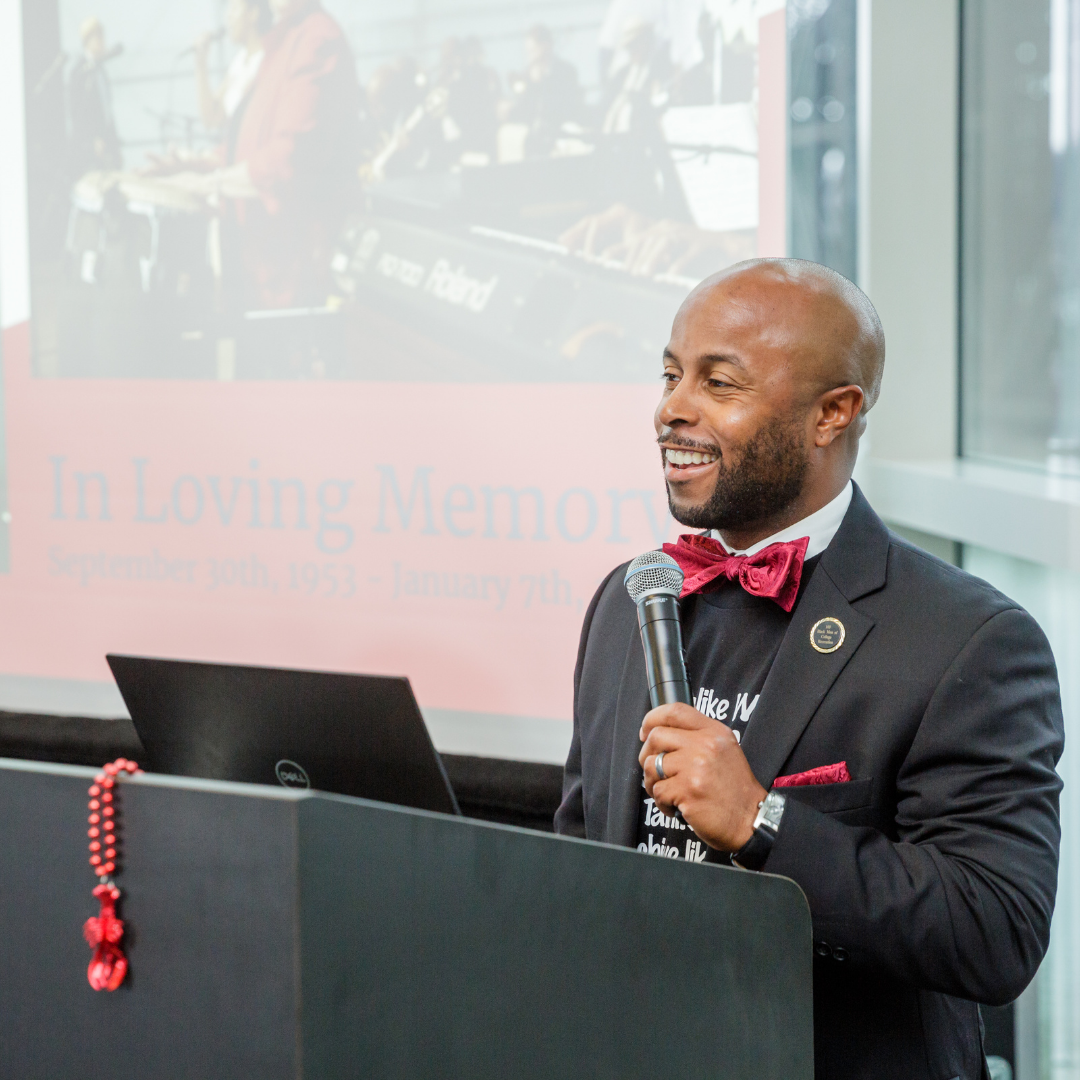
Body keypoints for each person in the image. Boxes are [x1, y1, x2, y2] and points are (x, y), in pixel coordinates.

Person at [554, 259, 1064, 1079]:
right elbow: (581, 848)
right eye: (671, 374)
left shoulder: (970, 639)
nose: (670, 409)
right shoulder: (631, 599)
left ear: (833, 413)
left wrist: (763, 821)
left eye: (718, 384)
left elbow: (994, 931)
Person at [194, 0, 272, 144]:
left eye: (234, 8)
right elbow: (211, 118)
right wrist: (201, 64)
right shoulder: (239, 61)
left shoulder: (269, 59)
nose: (228, 16)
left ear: (253, 13)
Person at [502, 25, 582, 158]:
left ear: (545, 46)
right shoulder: (526, 76)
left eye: (532, 50)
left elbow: (566, 106)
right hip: (533, 139)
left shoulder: (567, 72)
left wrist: (541, 84)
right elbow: (523, 110)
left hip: (560, 134)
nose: (530, 56)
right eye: (527, 51)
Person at [66, 16, 121, 178]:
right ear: (88, 40)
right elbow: (77, 113)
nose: (103, 42)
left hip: (107, 144)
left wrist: (114, 144)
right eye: (99, 37)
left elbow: (107, 111)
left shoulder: (101, 70)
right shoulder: (79, 72)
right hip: (89, 149)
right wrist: (91, 141)